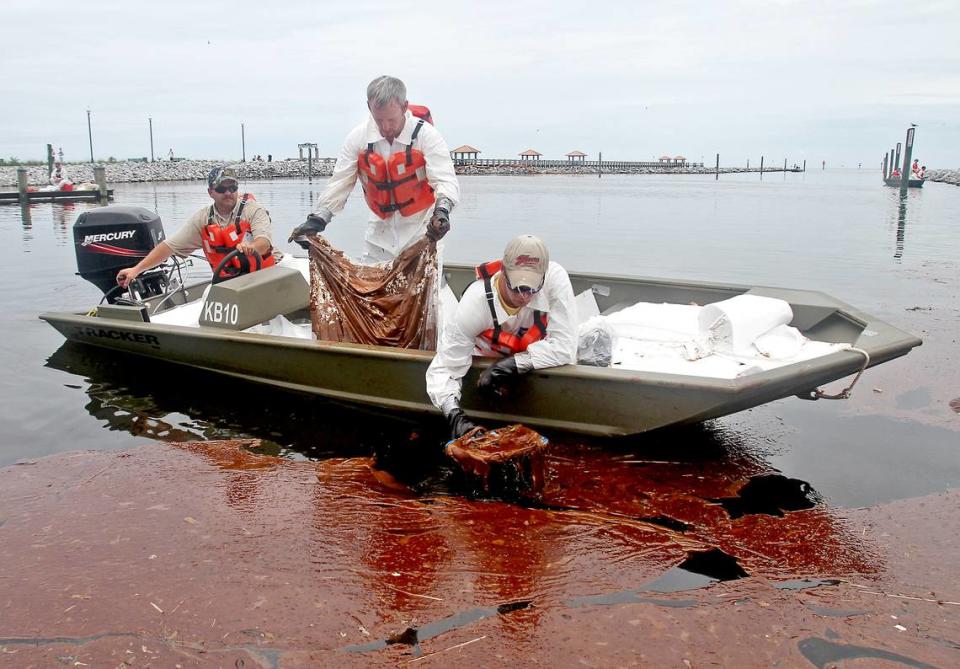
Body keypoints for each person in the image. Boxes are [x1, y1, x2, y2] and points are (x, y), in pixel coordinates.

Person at [290, 75, 460, 262]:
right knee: (372, 291)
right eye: (378, 120)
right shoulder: (358, 138)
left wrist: (442, 211)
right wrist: (318, 219)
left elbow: (446, 180)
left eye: (391, 120)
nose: (385, 127)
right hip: (378, 240)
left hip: (422, 235)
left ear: (404, 107)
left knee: (422, 291)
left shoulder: (427, 136)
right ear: (369, 107)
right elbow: (339, 182)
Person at [425, 235, 578, 439]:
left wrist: (507, 366)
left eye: (533, 288)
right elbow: (445, 369)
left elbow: (565, 347)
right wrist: (454, 415)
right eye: (518, 287)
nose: (524, 296)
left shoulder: (556, 279)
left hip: (532, 355)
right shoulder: (474, 304)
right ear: (503, 272)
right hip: (485, 354)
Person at [117, 166, 275, 288]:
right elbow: (169, 246)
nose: (228, 193)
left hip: (267, 274)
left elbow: (264, 242)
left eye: (232, 188)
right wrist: (136, 270)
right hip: (232, 283)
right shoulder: (203, 219)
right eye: (221, 189)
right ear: (210, 192)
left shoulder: (253, 209)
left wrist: (250, 247)